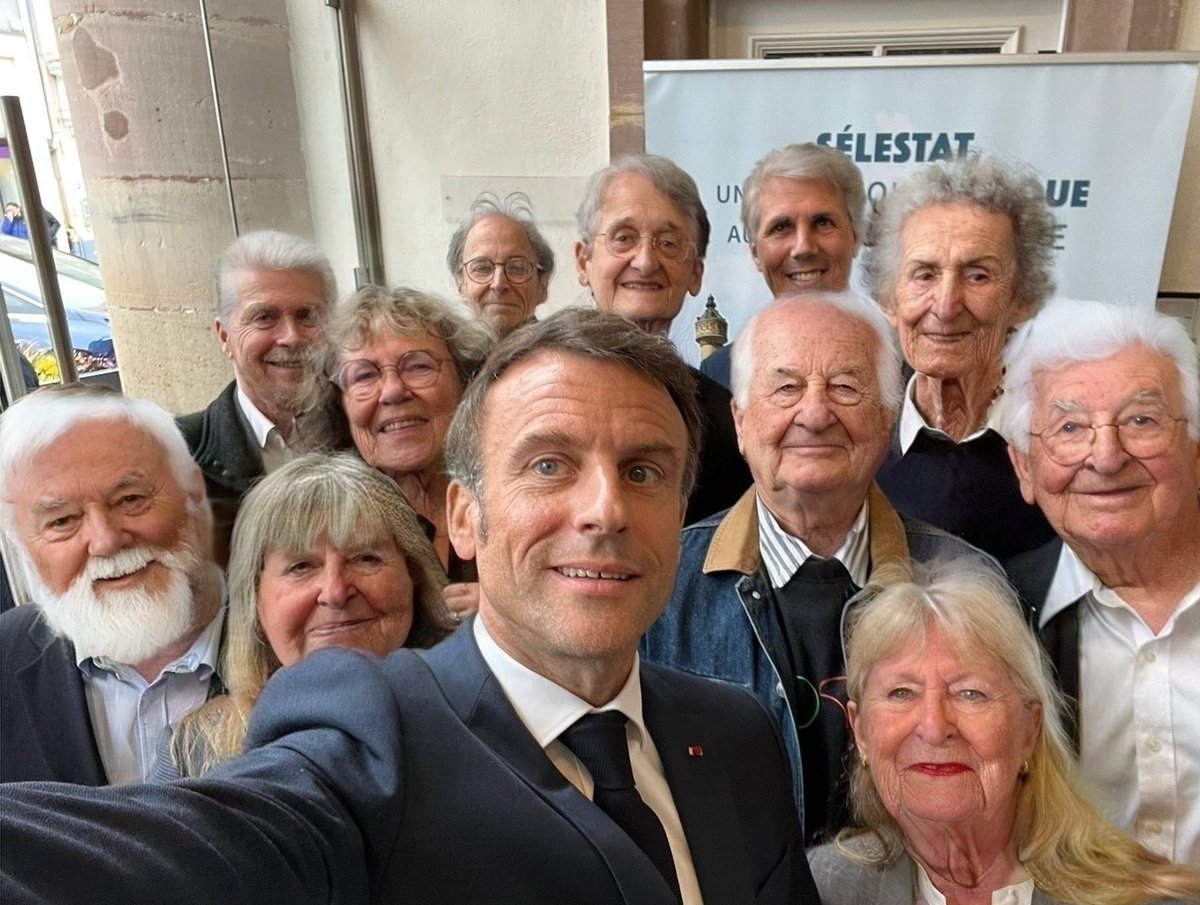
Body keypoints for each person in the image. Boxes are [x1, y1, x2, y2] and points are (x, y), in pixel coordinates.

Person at [0, 309, 820, 905]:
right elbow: (199, 847)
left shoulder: (737, 732)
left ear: (681, 515)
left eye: (643, 472)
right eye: (547, 464)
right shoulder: (371, 727)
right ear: (463, 516)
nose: (604, 509)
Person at [643, 291, 988, 845]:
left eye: (845, 387)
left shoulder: (970, 584)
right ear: (739, 419)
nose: (814, 413)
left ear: (887, 413)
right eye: (785, 387)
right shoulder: (657, 586)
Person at [807, 559, 1200, 905]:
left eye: (970, 693)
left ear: (1029, 730)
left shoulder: (1146, 900)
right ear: (860, 732)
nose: (933, 727)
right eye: (901, 693)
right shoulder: (816, 889)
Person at [993, 298, 1200, 866]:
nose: (1106, 456)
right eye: (1069, 427)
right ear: (1026, 469)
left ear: (1197, 450)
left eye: (1141, 420)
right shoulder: (997, 618)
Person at [170, 453, 453, 777]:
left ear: (413, 572)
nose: (335, 592)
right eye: (301, 567)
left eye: (365, 558)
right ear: (254, 595)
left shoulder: (482, 714)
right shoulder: (196, 751)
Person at [0, 384, 225, 785]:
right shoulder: (5, 657)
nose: (105, 541)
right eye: (62, 521)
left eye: (130, 499)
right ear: (19, 543)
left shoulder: (296, 636)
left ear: (193, 490)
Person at [864, 153, 1058, 559]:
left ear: (1023, 299)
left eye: (978, 275)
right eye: (924, 274)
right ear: (888, 299)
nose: (947, 305)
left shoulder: (1062, 442)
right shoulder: (856, 444)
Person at [574, 152, 751, 524]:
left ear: (695, 274)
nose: (645, 261)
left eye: (668, 243)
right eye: (623, 238)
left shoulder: (727, 423)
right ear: (583, 261)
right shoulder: (533, 393)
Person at [326, 285, 492, 622]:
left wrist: (511, 616)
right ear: (338, 406)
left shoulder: (513, 498)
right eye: (364, 375)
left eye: (418, 366)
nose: (393, 391)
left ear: (466, 381)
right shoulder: (323, 524)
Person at [178, 230, 337, 565]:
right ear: (224, 337)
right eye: (264, 317)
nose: (291, 337)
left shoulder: (368, 431)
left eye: (308, 315)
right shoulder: (178, 456)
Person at [701, 142, 866, 390]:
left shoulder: (903, 365)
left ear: (855, 237)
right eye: (781, 227)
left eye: (822, 222)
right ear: (755, 252)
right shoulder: (719, 374)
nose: (803, 247)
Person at [447, 191, 554, 337]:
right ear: (460, 284)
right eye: (482, 268)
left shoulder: (563, 358)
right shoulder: (443, 356)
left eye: (516, 268)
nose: (498, 284)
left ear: (542, 285)